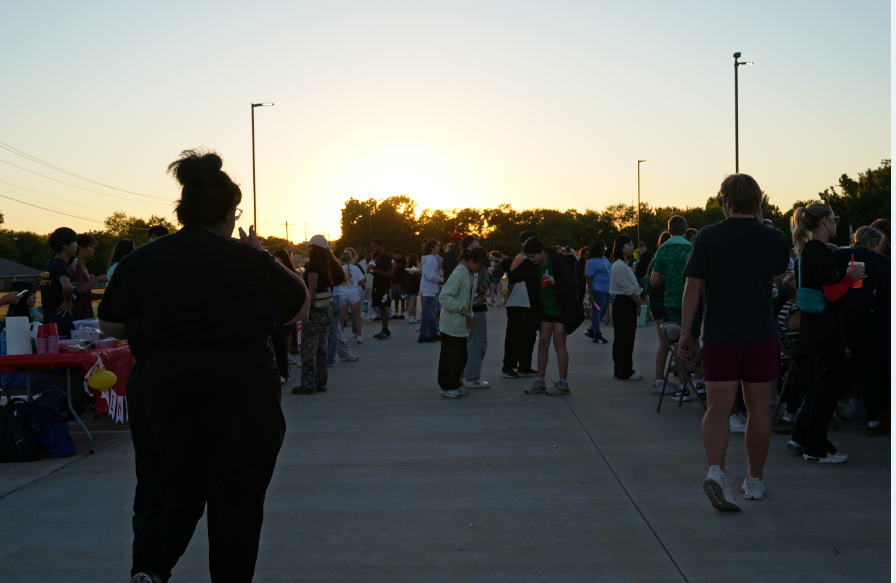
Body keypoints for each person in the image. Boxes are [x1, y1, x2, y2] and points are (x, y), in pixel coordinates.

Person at [97, 148, 308, 583]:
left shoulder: (144, 258)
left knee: (160, 487)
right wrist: (260, 256)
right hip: (241, 387)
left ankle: (150, 570)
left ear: (184, 209)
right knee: (237, 495)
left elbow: (110, 320)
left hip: (163, 383)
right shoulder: (247, 257)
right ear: (230, 212)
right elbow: (296, 307)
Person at [678, 173, 790, 511]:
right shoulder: (776, 238)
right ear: (759, 203)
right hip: (760, 333)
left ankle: (717, 472)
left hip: (721, 333)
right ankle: (754, 479)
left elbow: (693, 287)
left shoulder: (709, 237)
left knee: (718, 407)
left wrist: (685, 333)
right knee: (758, 409)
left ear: (725, 201)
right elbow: (776, 274)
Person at [509, 236, 584, 395]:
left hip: (560, 309)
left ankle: (563, 383)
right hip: (544, 310)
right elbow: (512, 276)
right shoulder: (530, 263)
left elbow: (571, 286)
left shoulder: (556, 261)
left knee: (558, 342)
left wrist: (554, 282)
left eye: (533, 256)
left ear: (542, 251)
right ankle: (540, 381)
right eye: (528, 256)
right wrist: (524, 262)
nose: (531, 259)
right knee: (542, 343)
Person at [832, 226, 889, 435]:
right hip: (865, 318)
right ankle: (873, 420)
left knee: (833, 364)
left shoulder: (839, 255)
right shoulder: (881, 261)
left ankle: (820, 408)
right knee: (871, 368)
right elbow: (886, 294)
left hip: (837, 317)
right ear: (875, 242)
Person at [650, 216, 705, 401]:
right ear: (685, 230)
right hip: (692, 302)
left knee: (677, 344)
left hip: (671, 303)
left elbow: (654, 280)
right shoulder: (691, 248)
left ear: (669, 230)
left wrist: (669, 277)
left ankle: (683, 388)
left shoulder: (662, 250)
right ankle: (700, 382)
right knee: (695, 341)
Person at [438, 247, 488, 398]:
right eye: (479, 265)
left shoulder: (472, 275)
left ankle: (455, 383)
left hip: (462, 325)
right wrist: (461, 308)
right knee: (450, 357)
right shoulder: (459, 274)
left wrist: (475, 302)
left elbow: (466, 296)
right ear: (471, 261)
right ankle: (447, 386)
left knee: (461, 357)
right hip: (451, 324)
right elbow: (444, 297)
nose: (480, 269)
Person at [295, 235, 337, 393]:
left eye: (310, 246)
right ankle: (321, 381)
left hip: (316, 310)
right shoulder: (326, 263)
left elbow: (311, 288)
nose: (308, 249)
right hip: (326, 308)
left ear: (316, 248)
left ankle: (308, 384)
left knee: (308, 348)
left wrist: (306, 310)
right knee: (321, 347)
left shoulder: (313, 265)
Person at [500, 231, 539, 379]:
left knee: (529, 337)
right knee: (514, 337)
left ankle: (525, 366)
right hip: (517, 303)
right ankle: (508, 366)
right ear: (522, 244)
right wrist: (507, 302)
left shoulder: (533, 259)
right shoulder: (519, 259)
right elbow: (509, 281)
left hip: (529, 304)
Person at [609, 235, 642, 380]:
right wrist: (637, 301)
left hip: (627, 302)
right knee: (624, 338)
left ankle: (622, 368)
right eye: (629, 244)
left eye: (632, 244)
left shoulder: (623, 264)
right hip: (624, 303)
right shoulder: (619, 265)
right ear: (621, 247)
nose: (632, 246)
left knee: (626, 338)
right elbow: (626, 288)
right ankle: (624, 370)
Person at [461, 237, 490, 389]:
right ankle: (471, 377)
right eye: (473, 247)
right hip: (472, 307)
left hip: (480, 305)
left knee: (481, 344)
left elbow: (486, 284)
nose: (477, 249)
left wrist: (482, 288)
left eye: (478, 246)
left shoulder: (481, 265)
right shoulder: (463, 267)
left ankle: (465, 373)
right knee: (475, 344)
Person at [645, 232, 673, 393]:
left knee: (668, 343)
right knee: (664, 343)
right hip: (659, 307)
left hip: (665, 305)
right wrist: (667, 280)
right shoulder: (657, 261)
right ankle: (659, 379)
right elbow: (650, 286)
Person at [40, 227, 78, 338]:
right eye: (74, 242)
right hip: (62, 315)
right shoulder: (60, 267)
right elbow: (67, 287)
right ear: (64, 245)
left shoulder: (49, 265)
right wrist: (67, 301)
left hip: (49, 315)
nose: (76, 245)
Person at [272, 249, 298, 383]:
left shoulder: (291, 275)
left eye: (280, 259)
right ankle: (282, 373)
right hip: (275, 313)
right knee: (276, 344)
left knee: (280, 343)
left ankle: (283, 373)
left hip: (287, 313)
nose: (277, 261)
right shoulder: (272, 273)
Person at [69, 234, 109, 321]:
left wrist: (105, 295)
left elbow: (86, 296)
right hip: (79, 318)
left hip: (85, 316)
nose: (93, 250)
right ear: (81, 249)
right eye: (90, 247)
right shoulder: (76, 267)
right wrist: (97, 279)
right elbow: (78, 289)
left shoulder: (83, 267)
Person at [584, 242, 611, 344]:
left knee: (604, 310)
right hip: (598, 289)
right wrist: (591, 293)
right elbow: (588, 278)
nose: (605, 249)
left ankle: (592, 329)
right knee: (597, 311)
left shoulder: (604, 259)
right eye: (603, 247)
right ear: (597, 249)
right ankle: (596, 335)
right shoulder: (592, 262)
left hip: (607, 289)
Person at [418, 239, 443, 342]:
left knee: (431, 313)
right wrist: (441, 279)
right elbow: (430, 275)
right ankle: (423, 335)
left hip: (429, 289)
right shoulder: (431, 260)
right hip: (429, 290)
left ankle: (433, 333)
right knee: (427, 313)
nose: (439, 247)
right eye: (437, 246)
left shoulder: (429, 259)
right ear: (432, 248)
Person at [339, 250, 366, 342]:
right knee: (357, 316)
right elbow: (362, 281)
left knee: (342, 316)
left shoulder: (340, 269)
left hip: (343, 293)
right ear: (351, 259)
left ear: (341, 260)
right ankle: (359, 336)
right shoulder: (356, 268)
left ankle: (341, 336)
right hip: (354, 294)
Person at [369, 239, 393, 339]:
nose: (373, 249)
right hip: (378, 286)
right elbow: (379, 272)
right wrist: (372, 271)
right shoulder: (378, 258)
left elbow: (390, 274)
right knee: (380, 307)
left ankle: (385, 330)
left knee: (383, 307)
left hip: (384, 286)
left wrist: (375, 270)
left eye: (375, 247)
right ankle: (383, 329)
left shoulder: (386, 258)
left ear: (380, 246)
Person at [404, 253, 421, 323]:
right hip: (413, 288)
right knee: (412, 304)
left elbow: (403, 279)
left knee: (411, 304)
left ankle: (415, 317)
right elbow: (416, 280)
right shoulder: (414, 269)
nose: (417, 261)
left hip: (407, 288)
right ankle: (410, 318)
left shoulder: (406, 269)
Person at [390, 248, 407, 319]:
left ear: (399, 254)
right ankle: (396, 313)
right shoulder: (393, 260)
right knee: (395, 298)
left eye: (395, 254)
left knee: (402, 298)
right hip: (394, 281)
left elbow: (404, 269)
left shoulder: (404, 260)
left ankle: (402, 313)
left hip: (401, 281)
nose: (394, 256)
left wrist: (397, 266)